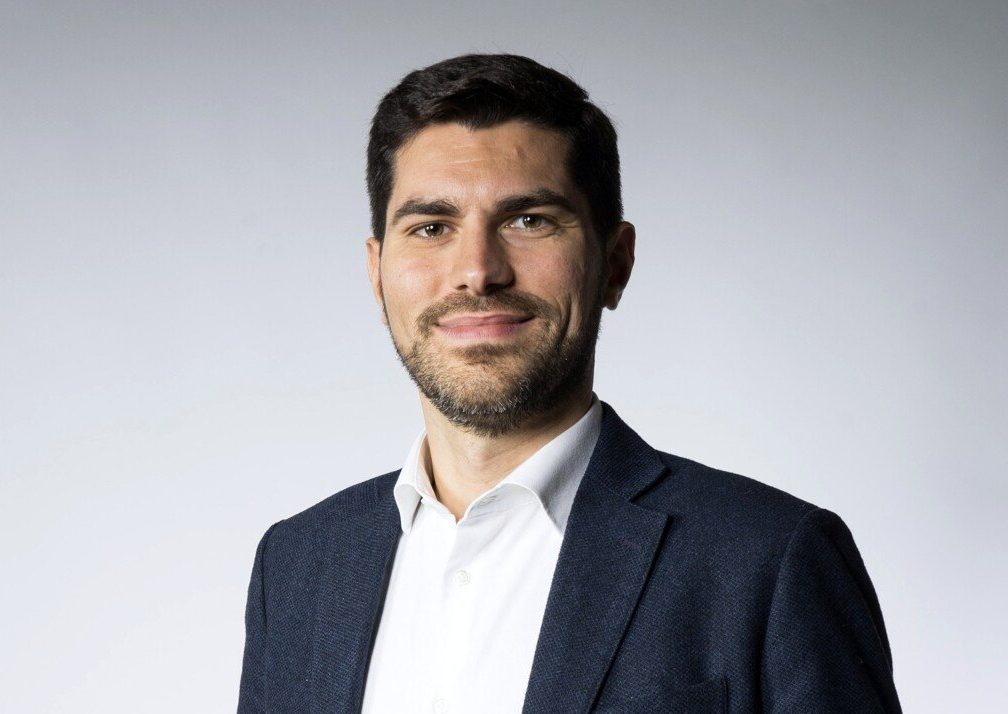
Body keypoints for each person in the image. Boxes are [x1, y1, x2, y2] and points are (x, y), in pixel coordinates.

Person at [237, 54, 902, 713]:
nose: (477, 271)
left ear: (615, 263)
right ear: (377, 272)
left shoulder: (769, 560)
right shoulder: (296, 567)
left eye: (529, 220)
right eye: (432, 227)